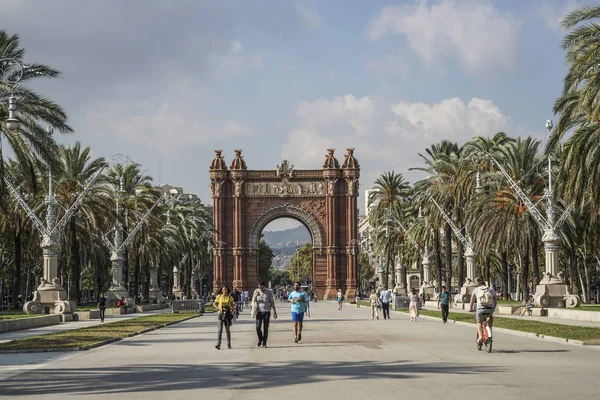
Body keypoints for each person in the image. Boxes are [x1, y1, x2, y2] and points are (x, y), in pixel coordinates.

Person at [469, 277, 497, 345]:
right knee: (490, 317)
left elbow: (472, 300)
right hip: (490, 308)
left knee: (479, 322)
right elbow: (495, 299)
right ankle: (490, 331)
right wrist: (493, 308)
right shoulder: (491, 289)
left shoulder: (476, 289)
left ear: (479, 285)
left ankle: (481, 337)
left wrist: (471, 308)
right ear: (486, 285)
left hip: (480, 309)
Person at [252, 281, 277, 348]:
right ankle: (260, 339)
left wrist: (275, 312)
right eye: (259, 287)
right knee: (258, 327)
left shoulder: (269, 292)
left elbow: (272, 302)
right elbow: (253, 301)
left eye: (262, 287)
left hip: (266, 312)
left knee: (265, 328)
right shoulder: (256, 291)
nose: (260, 289)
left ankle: (264, 343)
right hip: (259, 312)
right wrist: (255, 296)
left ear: (264, 286)